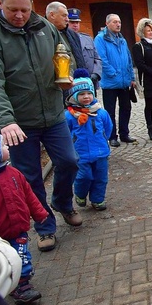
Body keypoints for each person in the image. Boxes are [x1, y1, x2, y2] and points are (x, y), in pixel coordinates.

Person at [0, 0, 81, 252]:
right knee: (30, 177)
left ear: (32, 5)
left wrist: (65, 76)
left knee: (69, 161)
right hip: (19, 122)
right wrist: (6, 119)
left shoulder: (45, 27)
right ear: (0, 4)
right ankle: (45, 227)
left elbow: (63, 54)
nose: (19, 16)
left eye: (24, 9)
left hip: (53, 114)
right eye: (12, 10)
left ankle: (63, 203)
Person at [0, 231, 80, 305]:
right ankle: (21, 286)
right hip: (4, 235)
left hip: (17, 230)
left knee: (22, 256)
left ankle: (23, 282)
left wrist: (39, 214)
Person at [0, 133, 48, 305]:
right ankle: (4, 283)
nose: (8, 147)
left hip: (18, 228)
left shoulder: (14, 173)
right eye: (3, 146)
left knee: (21, 256)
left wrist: (39, 213)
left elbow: (29, 195)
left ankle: (22, 285)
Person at [64, 69, 113, 211]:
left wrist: (104, 140)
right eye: (82, 94)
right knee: (83, 177)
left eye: (89, 93)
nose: (86, 97)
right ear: (74, 96)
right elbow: (65, 133)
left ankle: (98, 200)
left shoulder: (100, 112)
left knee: (100, 178)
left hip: (100, 152)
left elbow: (108, 128)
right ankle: (80, 194)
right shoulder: (69, 115)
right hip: (80, 154)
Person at [94, 13, 137, 147]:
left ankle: (124, 134)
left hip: (124, 82)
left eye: (119, 22)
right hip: (110, 83)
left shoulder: (122, 40)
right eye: (114, 22)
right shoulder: (100, 39)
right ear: (107, 24)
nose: (118, 24)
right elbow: (102, 59)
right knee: (110, 111)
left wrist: (132, 77)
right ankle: (112, 136)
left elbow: (128, 59)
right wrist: (114, 73)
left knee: (126, 108)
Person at [46, 2, 87, 77]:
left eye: (67, 16)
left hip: (76, 83)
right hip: (55, 84)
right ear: (52, 15)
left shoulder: (72, 34)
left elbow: (80, 60)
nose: (67, 19)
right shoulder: (41, 34)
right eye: (64, 16)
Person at [67, 8, 102, 90]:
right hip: (72, 82)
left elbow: (97, 58)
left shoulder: (87, 39)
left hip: (90, 80)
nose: (75, 25)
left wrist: (96, 74)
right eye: (72, 22)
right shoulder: (63, 39)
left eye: (77, 22)